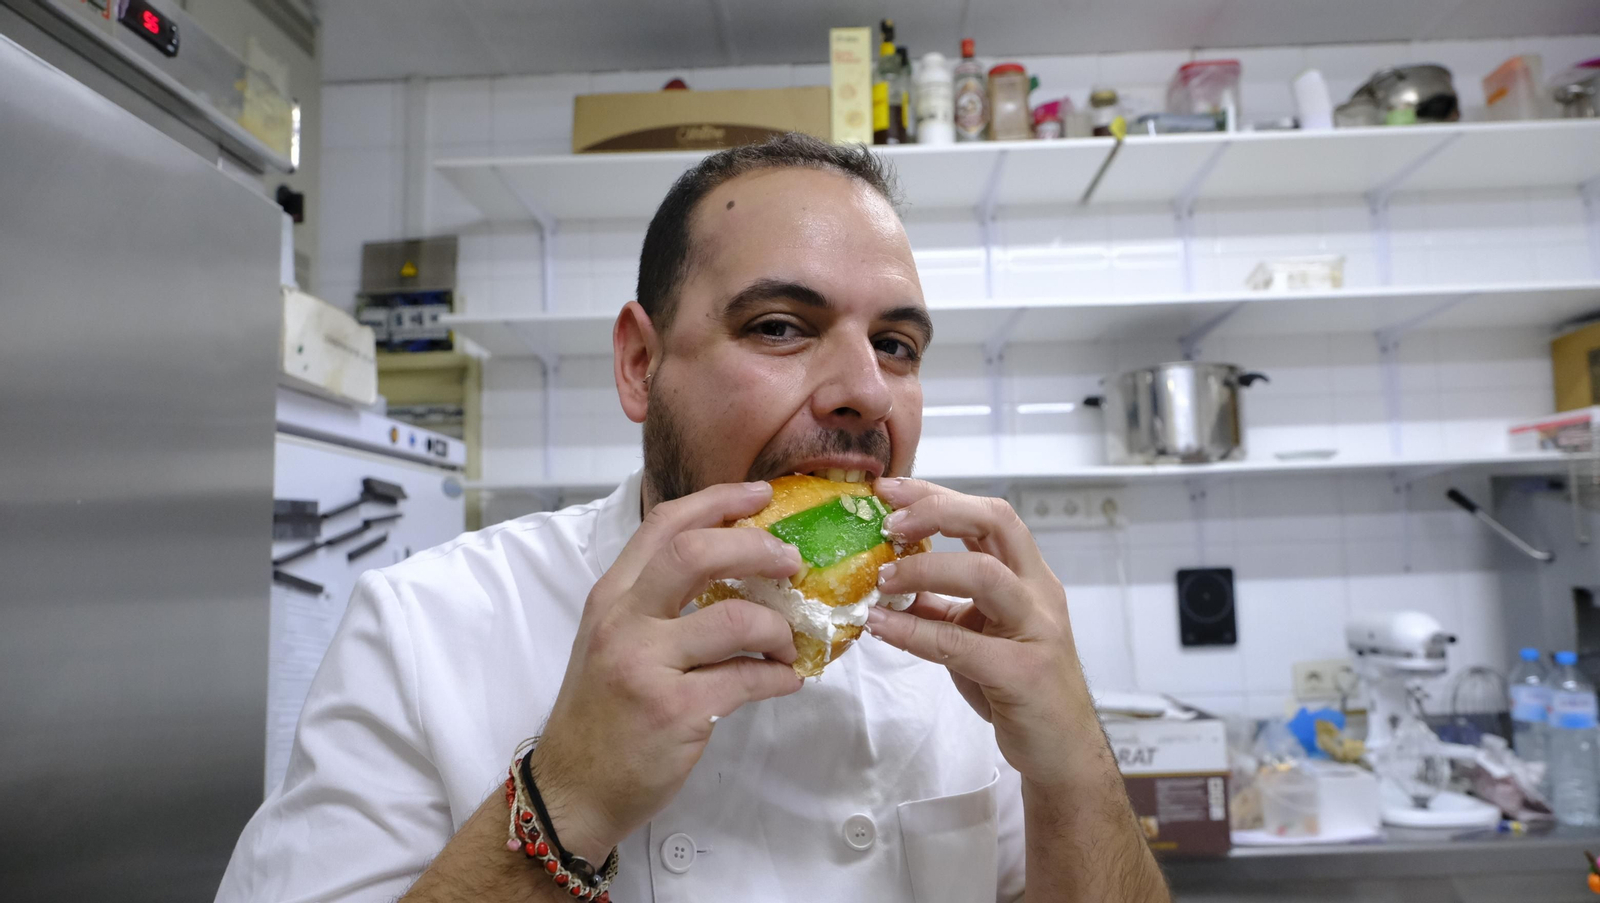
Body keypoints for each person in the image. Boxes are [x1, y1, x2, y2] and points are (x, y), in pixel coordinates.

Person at [215, 134, 1169, 903]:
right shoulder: (425, 629)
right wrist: (567, 798)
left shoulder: (969, 657)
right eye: (779, 326)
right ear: (641, 364)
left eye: (897, 343)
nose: (864, 391)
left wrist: (1076, 765)